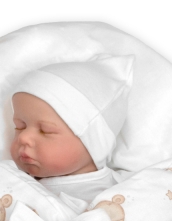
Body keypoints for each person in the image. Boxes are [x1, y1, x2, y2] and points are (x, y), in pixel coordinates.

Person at [9, 54, 134, 201]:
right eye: (20, 127)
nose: (23, 137)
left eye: (45, 130)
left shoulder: (115, 195)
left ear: (93, 143)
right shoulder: (9, 177)